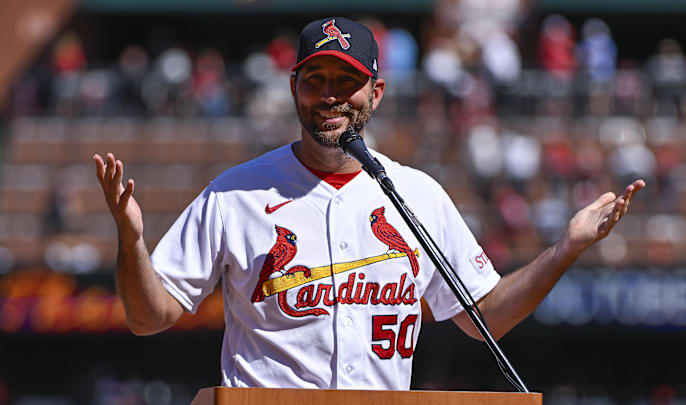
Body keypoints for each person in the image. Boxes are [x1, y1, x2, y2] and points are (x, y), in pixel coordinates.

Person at [93, 17, 645, 389]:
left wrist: (566, 249)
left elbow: (484, 318)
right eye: (316, 79)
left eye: (347, 80)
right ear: (294, 89)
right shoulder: (235, 193)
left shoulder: (417, 195)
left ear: (375, 93)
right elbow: (148, 317)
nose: (330, 93)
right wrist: (131, 241)